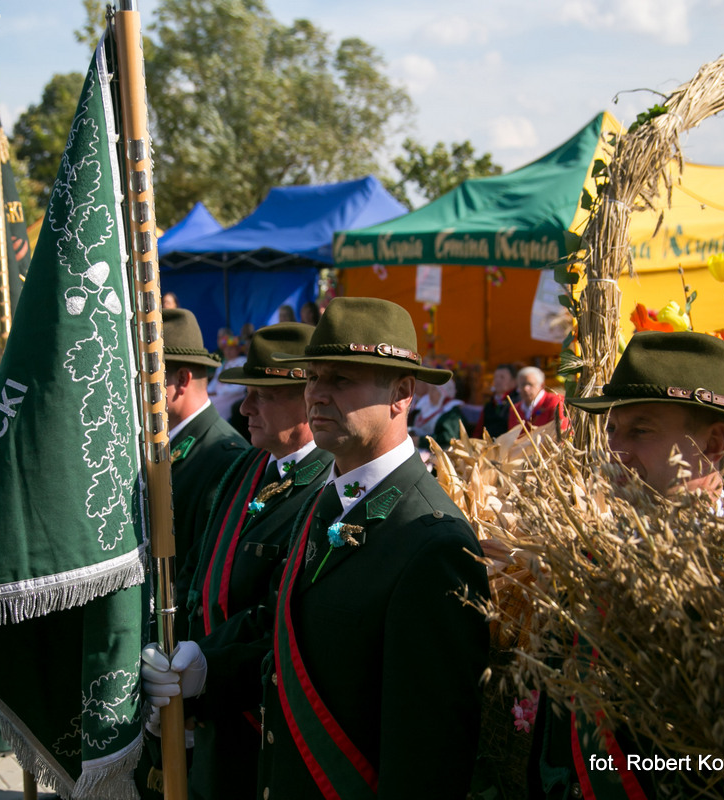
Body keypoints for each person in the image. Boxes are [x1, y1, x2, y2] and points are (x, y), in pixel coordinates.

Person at [145, 297, 490, 799]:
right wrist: (205, 668)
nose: (318, 395)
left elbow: (427, 755)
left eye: (341, 380)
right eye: (312, 377)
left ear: (402, 392)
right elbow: (284, 637)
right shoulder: (324, 503)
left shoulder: (433, 543)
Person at [527, 330, 724, 799]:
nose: (616, 453)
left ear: (715, 442)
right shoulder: (591, 558)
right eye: (612, 430)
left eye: (640, 430)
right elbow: (554, 741)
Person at [161, 322, 334, 800]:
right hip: (211, 709)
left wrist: (204, 674)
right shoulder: (248, 465)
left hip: (258, 721)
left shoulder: (325, 489)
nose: (244, 407)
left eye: (263, 394)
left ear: (306, 399)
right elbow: (199, 574)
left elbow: (279, 614)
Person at [163, 309, 249, 630]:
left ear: (181, 381)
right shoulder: (169, 444)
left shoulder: (224, 456)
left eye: (143, 379)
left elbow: (203, 577)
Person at [410, 374, 467, 451]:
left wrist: (421, 441)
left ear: (444, 393)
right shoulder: (428, 406)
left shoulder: (451, 412)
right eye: (429, 389)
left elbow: (449, 438)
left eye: (434, 390)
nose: (430, 393)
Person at [508, 365, 569, 433]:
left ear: (542, 385)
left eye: (530, 384)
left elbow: (561, 432)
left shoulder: (556, 402)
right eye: (522, 385)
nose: (525, 389)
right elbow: (513, 437)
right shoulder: (515, 409)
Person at [207, 326, 247, 425]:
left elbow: (240, 386)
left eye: (231, 349)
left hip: (234, 396)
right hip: (220, 395)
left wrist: (219, 392)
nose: (228, 351)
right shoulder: (223, 364)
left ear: (238, 349)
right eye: (226, 349)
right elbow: (215, 382)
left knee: (212, 407)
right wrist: (208, 391)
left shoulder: (242, 362)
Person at [474, 363, 519, 438]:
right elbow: (479, 430)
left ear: (514, 381)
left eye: (502, 377)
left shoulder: (518, 403)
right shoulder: (490, 404)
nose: (497, 380)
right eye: (495, 377)